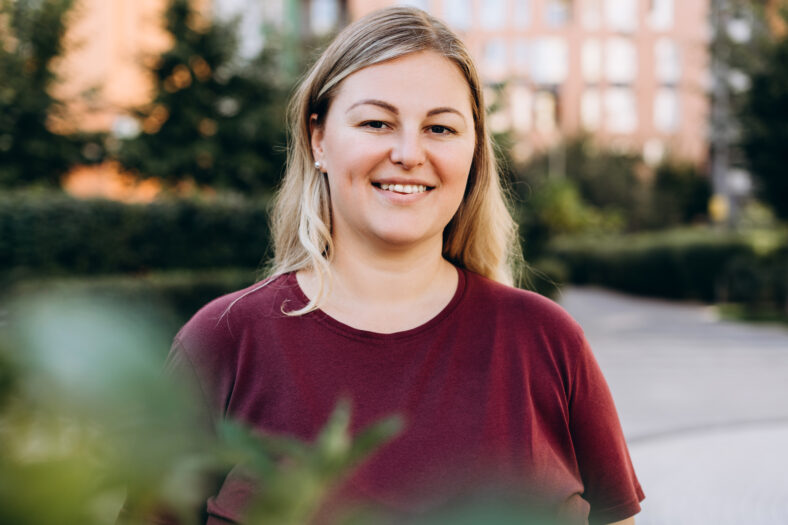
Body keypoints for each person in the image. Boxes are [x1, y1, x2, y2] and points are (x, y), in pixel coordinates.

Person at [168, 7, 644, 525]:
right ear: (318, 139)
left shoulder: (548, 342)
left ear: (474, 152)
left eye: (440, 128)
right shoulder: (225, 341)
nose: (409, 152)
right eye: (377, 122)